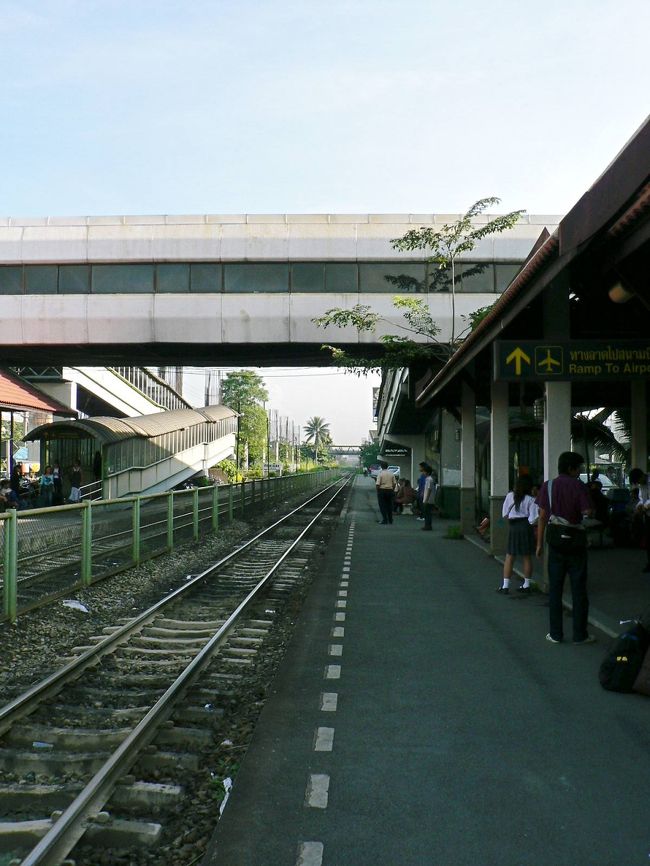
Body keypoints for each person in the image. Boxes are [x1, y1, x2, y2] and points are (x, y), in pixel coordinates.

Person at [536, 451, 595, 645]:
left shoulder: (548, 486)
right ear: (571, 469)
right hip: (576, 544)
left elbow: (542, 516)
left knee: (555, 589)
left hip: (555, 544)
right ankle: (580, 635)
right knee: (579, 590)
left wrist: (539, 543)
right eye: (579, 468)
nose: (580, 471)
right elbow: (587, 511)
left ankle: (555, 634)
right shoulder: (579, 486)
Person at [497, 475, 536, 595]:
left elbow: (505, 513)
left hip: (513, 527)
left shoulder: (510, 496)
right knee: (526, 556)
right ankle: (526, 584)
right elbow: (533, 519)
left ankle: (505, 586)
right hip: (526, 526)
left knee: (510, 556)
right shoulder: (531, 499)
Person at [628, 468, 650, 573]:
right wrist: (639, 506)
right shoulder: (642, 485)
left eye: (639, 481)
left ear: (642, 476)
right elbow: (642, 499)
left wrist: (644, 507)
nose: (639, 484)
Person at [375, 461, 397, 525]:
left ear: (381, 467)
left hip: (382, 491)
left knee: (382, 506)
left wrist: (378, 491)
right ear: (387, 466)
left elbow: (378, 484)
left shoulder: (380, 474)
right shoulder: (391, 474)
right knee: (389, 505)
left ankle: (385, 520)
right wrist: (392, 489)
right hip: (390, 490)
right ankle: (390, 519)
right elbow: (394, 483)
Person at [421, 464, 436, 531]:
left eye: (424, 471)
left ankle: (428, 526)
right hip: (428, 499)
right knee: (427, 513)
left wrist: (426, 499)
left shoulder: (429, 479)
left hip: (428, 500)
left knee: (427, 513)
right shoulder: (428, 479)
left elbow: (429, 489)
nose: (423, 473)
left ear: (427, 472)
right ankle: (427, 525)